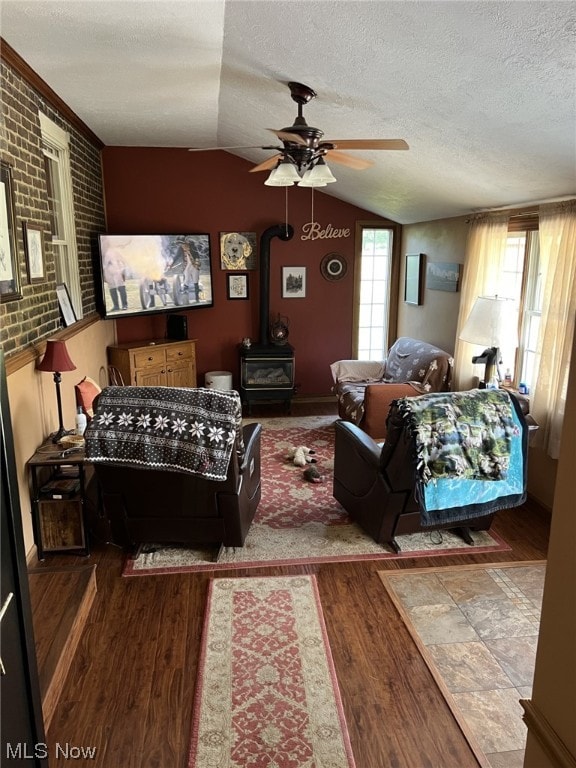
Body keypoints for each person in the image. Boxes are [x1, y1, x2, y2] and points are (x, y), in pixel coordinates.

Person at [102, 244, 128, 311]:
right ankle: (116, 306)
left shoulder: (118, 252)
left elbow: (123, 262)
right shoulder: (105, 253)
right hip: (109, 273)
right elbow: (104, 265)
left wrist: (123, 272)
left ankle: (125, 305)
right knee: (112, 288)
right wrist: (104, 275)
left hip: (118, 271)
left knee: (121, 287)